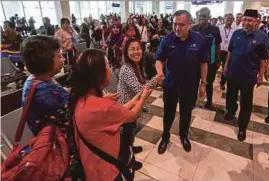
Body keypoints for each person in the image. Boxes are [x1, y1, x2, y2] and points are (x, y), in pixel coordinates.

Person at [70, 49, 153, 181]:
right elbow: (132, 115)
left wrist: (136, 98)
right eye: (107, 65)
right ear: (99, 74)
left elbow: (118, 112)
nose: (110, 68)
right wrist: (142, 98)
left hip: (91, 165)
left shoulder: (83, 98)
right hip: (106, 171)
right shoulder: (102, 106)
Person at [20, 35, 79, 179]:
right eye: (59, 56)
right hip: (59, 152)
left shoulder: (40, 79)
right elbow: (75, 111)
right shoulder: (43, 90)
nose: (63, 59)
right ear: (46, 60)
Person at [155, 10, 208, 154]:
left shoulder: (199, 40)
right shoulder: (168, 39)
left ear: (190, 24)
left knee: (186, 113)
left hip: (190, 86)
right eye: (175, 24)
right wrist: (160, 72)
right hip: (171, 84)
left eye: (181, 25)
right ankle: (165, 136)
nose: (177, 28)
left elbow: (204, 63)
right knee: (168, 113)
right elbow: (159, 59)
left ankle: (183, 135)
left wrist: (203, 84)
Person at [223, 9, 268, 141]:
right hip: (233, 72)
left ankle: (242, 127)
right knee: (230, 96)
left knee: (246, 103)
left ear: (256, 22)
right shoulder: (237, 33)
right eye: (245, 19)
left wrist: (260, 74)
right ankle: (231, 111)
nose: (246, 22)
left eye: (250, 20)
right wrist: (226, 65)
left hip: (248, 76)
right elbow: (230, 50)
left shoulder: (261, 37)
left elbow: (262, 58)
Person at [117, 38, 162, 170]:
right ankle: (127, 163)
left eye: (138, 48)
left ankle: (130, 146)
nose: (136, 52)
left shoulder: (137, 65)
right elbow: (140, 90)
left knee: (131, 132)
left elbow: (143, 83)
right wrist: (156, 79)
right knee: (125, 136)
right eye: (132, 49)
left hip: (134, 106)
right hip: (126, 108)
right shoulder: (126, 69)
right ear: (126, 52)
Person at [192, 7, 222, 109]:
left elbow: (218, 45)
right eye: (199, 16)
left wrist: (218, 60)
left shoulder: (215, 30)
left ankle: (209, 101)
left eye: (204, 16)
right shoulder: (194, 29)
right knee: (194, 82)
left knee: (209, 83)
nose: (201, 18)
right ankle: (192, 101)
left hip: (210, 62)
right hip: (196, 62)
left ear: (209, 17)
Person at [219, 13, 235, 91]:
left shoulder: (234, 30)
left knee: (225, 68)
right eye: (227, 18)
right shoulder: (219, 28)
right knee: (215, 66)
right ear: (224, 19)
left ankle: (222, 82)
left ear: (233, 21)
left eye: (231, 19)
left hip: (228, 52)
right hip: (219, 50)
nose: (229, 20)